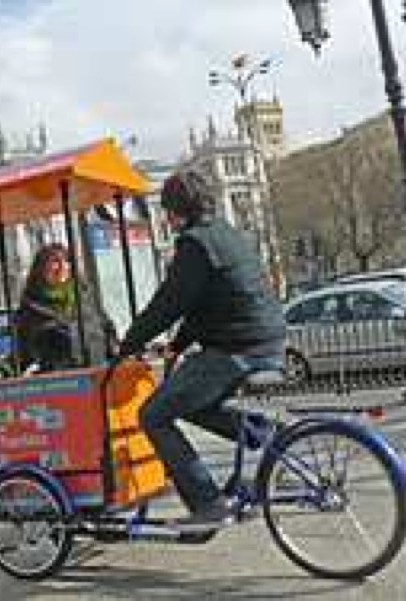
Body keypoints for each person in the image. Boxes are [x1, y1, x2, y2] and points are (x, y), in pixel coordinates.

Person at [118, 168, 285, 527]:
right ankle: (265, 435)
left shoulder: (195, 243)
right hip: (267, 341)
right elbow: (204, 303)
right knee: (190, 403)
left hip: (237, 349)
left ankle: (207, 503)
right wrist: (177, 345)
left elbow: (170, 303)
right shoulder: (226, 234)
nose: (167, 218)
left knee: (153, 414)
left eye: (167, 210)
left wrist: (127, 344)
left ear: (177, 210)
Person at [15, 243, 116, 372]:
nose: (63, 266)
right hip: (61, 383)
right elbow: (22, 353)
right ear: (40, 268)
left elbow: (108, 329)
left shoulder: (86, 297)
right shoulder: (30, 307)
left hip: (97, 375)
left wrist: (119, 353)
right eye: (55, 261)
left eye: (67, 261)